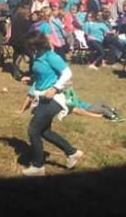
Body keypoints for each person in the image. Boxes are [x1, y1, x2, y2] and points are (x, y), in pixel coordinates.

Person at [20, 31, 83, 177]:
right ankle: (72, 152)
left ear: (36, 45)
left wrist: (55, 88)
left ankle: (38, 166)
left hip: (54, 99)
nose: (28, 49)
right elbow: (43, 75)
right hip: (42, 98)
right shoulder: (38, 56)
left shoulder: (50, 56)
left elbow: (67, 73)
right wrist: (30, 79)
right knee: (44, 131)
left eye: (30, 46)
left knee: (33, 130)